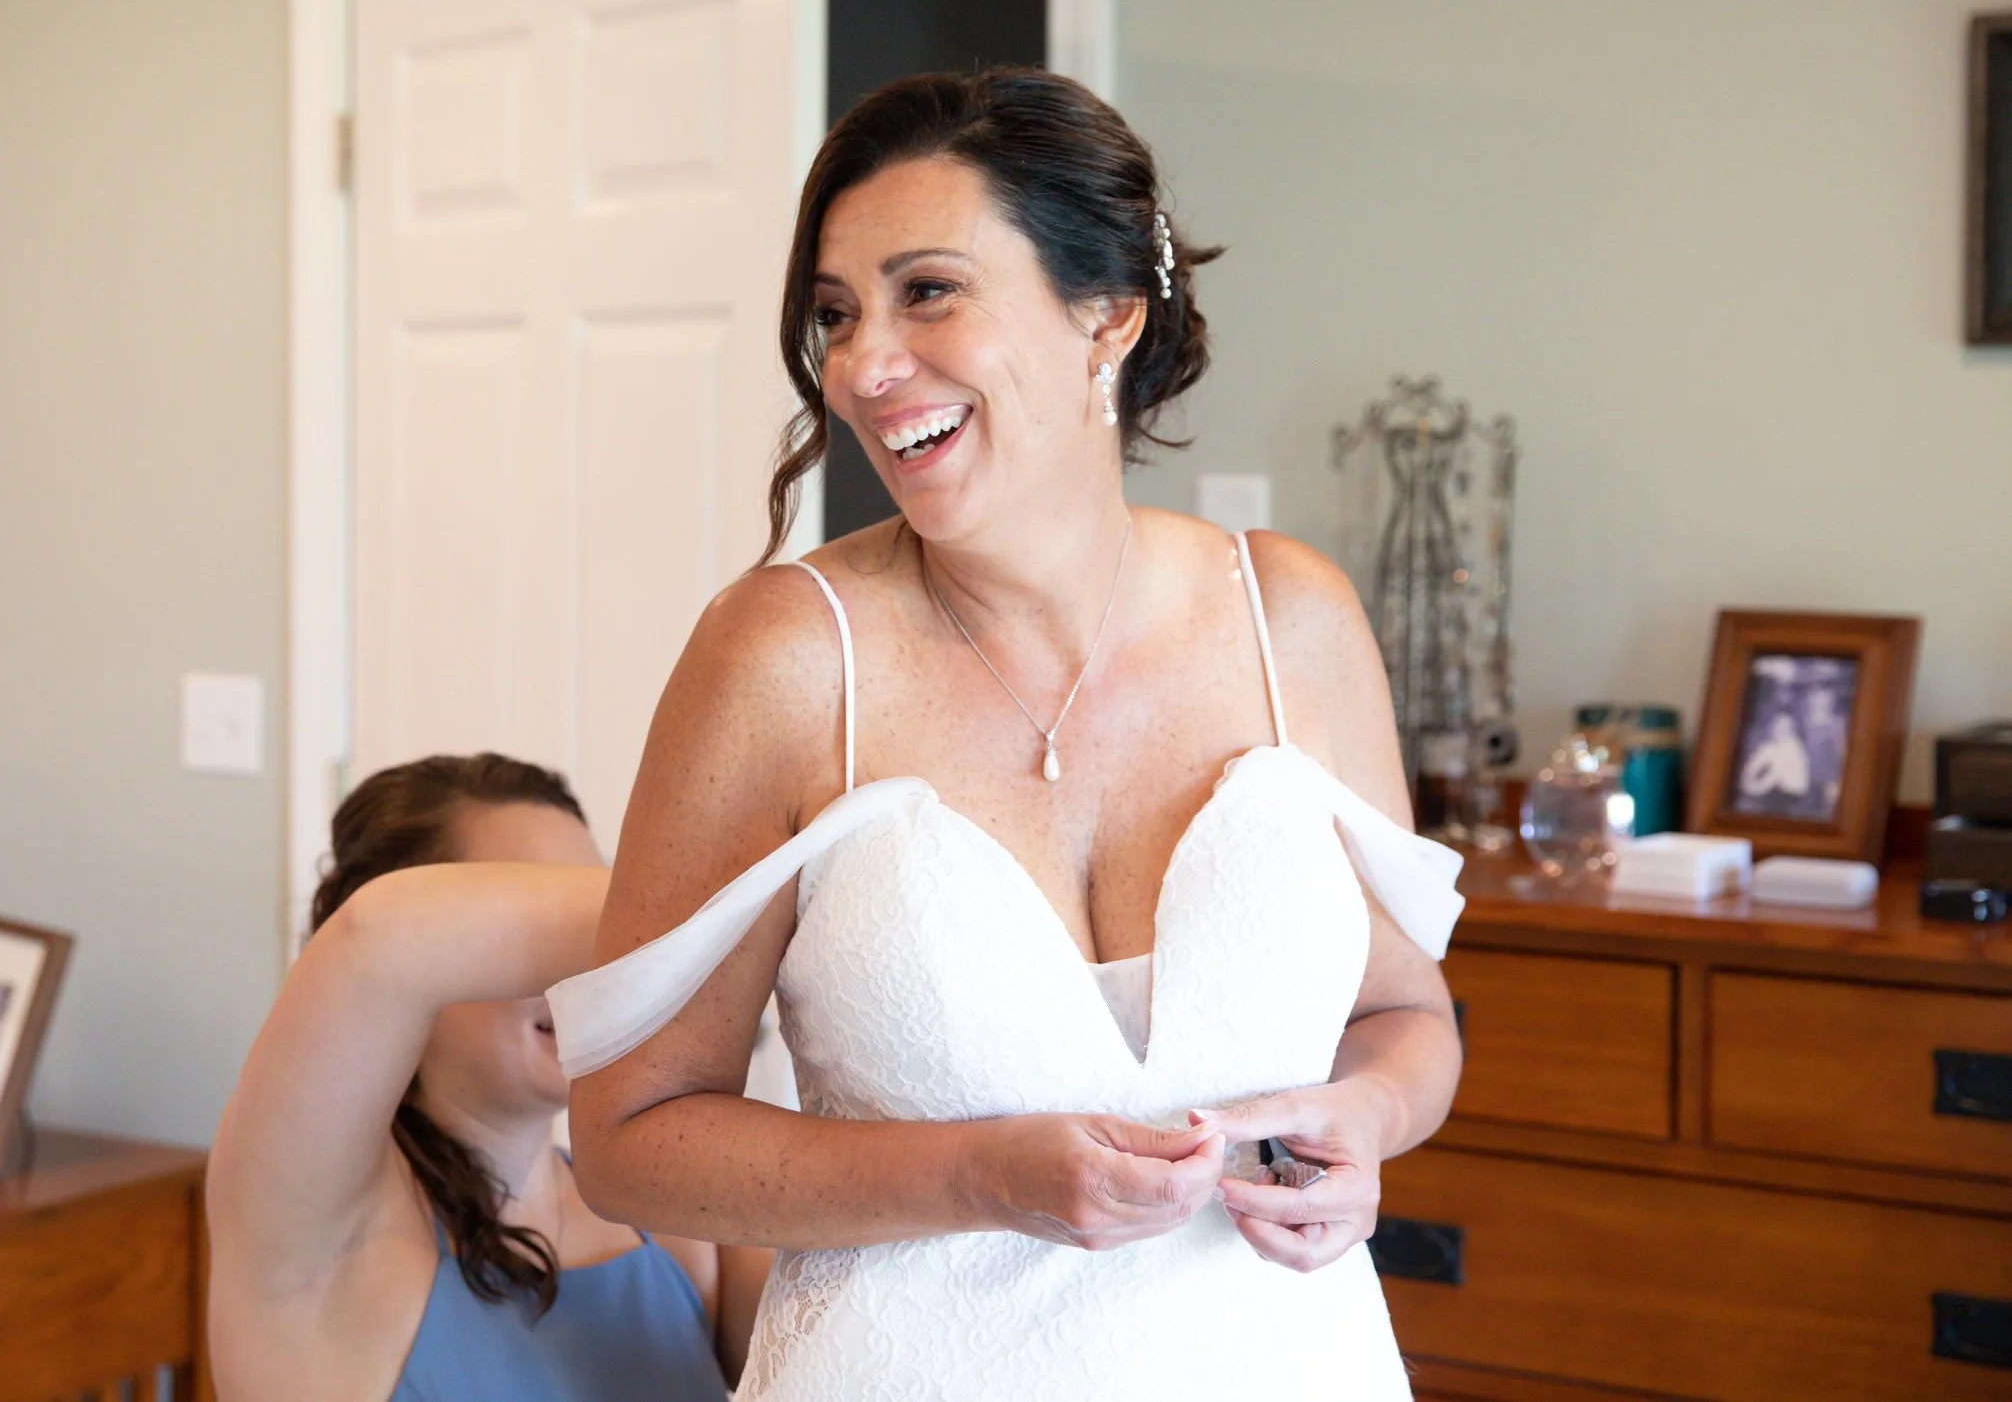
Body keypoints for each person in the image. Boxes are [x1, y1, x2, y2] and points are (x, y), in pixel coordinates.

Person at [554, 70, 1468, 1399]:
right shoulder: (784, 656)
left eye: (927, 290)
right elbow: (630, 1134)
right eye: (835, 312)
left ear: (1106, 313)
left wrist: (1364, 1117)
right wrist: (979, 1171)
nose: (865, 366)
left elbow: (1405, 1011)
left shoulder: (1296, 621)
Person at [207, 753, 768, 1402]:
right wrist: (772, 895)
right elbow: (375, 937)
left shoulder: (674, 1228)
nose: (595, 965)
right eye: (546, 926)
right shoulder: (321, 1234)